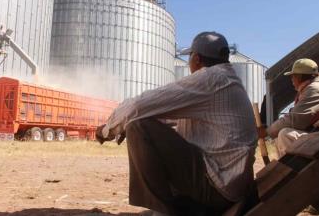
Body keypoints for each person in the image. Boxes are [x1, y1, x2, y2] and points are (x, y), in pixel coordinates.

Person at [96, 32, 257, 216]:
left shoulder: (210, 79)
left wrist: (106, 130)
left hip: (219, 189)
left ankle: (166, 211)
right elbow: (167, 119)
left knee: (138, 127)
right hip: (230, 186)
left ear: (196, 58)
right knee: (138, 123)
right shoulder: (225, 80)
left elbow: (137, 106)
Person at [267, 58, 319, 157]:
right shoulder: (310, 88)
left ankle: (293, 170)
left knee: (285, 134)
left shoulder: (314, 89)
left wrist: (267, 132)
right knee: (281, 135)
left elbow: (295, 120)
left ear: (299, 77)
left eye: (293, 76)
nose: (292, 80)